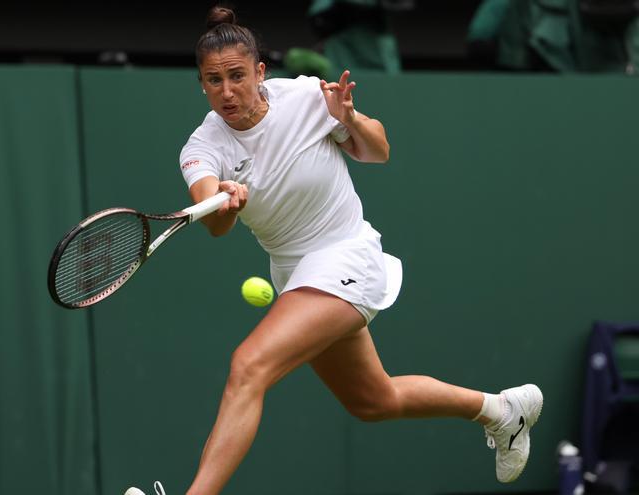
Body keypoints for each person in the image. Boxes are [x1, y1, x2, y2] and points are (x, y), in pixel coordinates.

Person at [125, 7, 543, 495]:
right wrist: (226, 202)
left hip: (346, 255)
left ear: (261, 72)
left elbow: (379, 150)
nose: (227, 91)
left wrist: (349, 120)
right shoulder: (202, 146)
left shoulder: (305, 97)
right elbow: (214, 222)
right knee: (374, 400)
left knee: (248, 367)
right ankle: (501, 412)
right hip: (295, 275)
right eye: (213, 80)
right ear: (201, 84)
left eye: (237, 76)